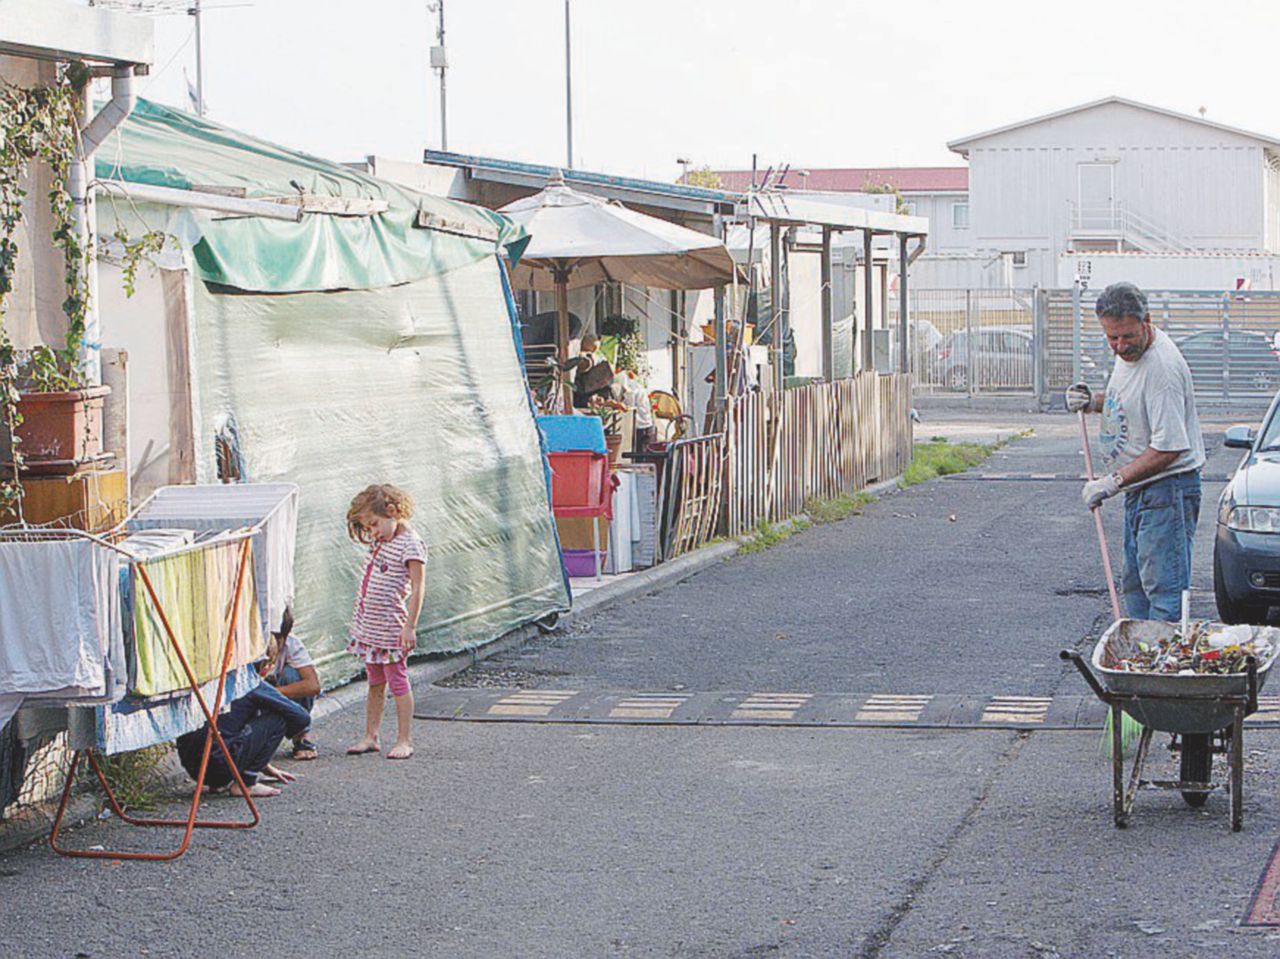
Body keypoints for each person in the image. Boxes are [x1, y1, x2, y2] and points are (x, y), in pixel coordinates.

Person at [1066, 281, 1205, 622]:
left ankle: (1163, 669)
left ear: (1146, 321)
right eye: (1111, 337)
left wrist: (1111, 482)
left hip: (1167, 489)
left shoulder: (1162, 370)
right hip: (1141, 490)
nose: (1119, 345)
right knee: (1136, 586)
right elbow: (1128, 404)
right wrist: (1093, 402)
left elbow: (1170, 447)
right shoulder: (1129, 354)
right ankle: (1141, 662)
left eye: (1126, 336)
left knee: (1165, 592)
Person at [344, 484, 427, 761]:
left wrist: (410, 626)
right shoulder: (382, 541)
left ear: (393, 512)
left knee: (397, 680)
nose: (372, 532)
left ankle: (404, 739)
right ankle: (371, 735)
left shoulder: (410, 544)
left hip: (391, 627)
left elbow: (417, 587)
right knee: (374, 680)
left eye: (375, 524)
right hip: (371, 627)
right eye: (368, 527)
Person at [176, 680, 311, 798]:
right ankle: (246, 783)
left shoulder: (202, 679)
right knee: (277, 718)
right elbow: (301, 717)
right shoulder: (246, 681)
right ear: (267, 667)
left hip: (195, 770)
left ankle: (218, 784)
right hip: (220, 766)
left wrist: (263, 764)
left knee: (234, 716)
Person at [261, 605, 321, 760]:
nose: (272, 644)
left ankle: (301, 736)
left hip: (272, 692)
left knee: (292, 676)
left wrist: (272, 694)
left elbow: (312, 686)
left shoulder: (292, 645)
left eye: (278, 639)